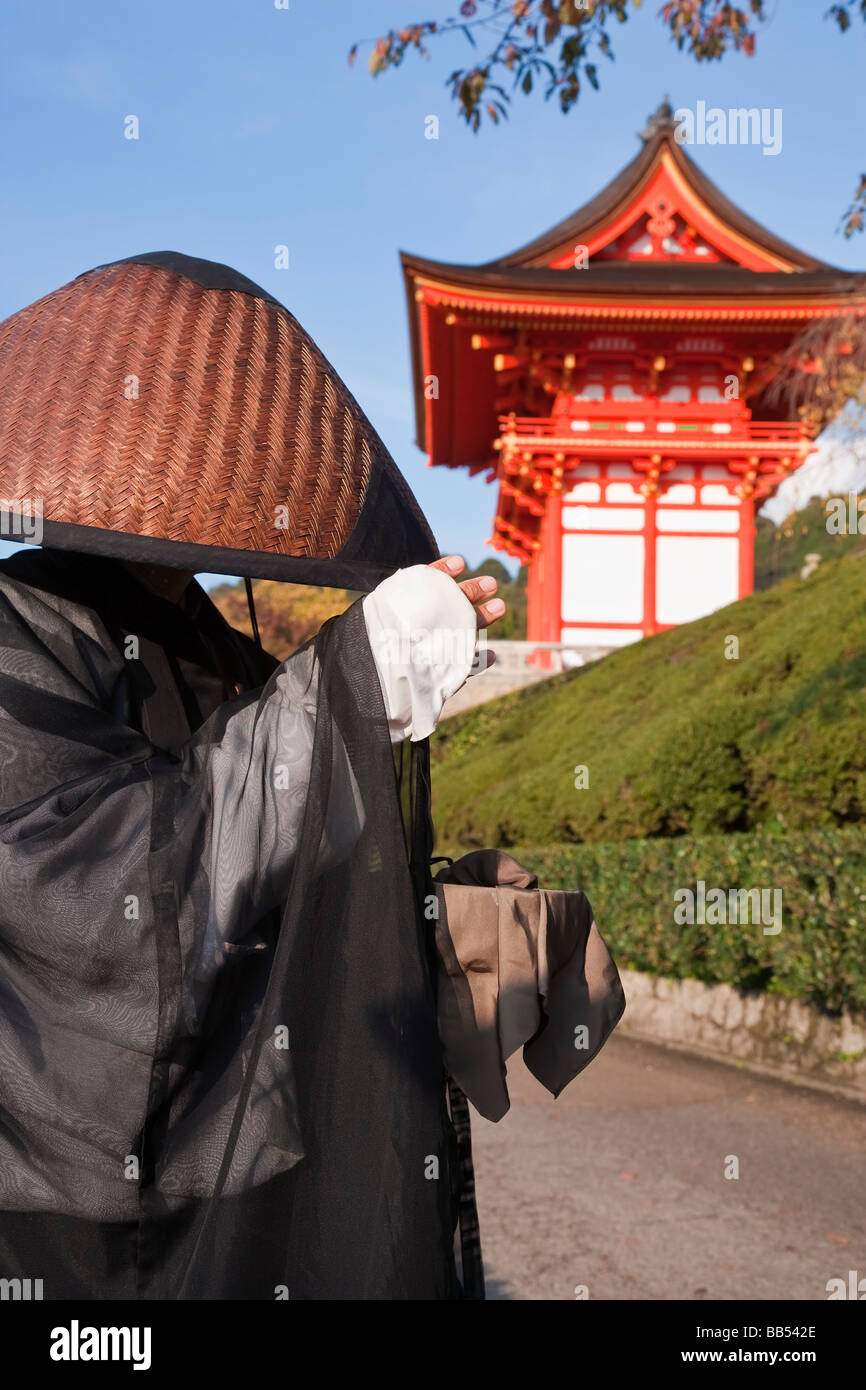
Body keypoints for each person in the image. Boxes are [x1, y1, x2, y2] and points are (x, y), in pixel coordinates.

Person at [0, 251, 504, 1300]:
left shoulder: (197, 632)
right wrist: (354, 681)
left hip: (245, 1140)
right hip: (64, 1184)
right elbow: (100, 898)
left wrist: (440, 905)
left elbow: (296, 847)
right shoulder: (16, 624)